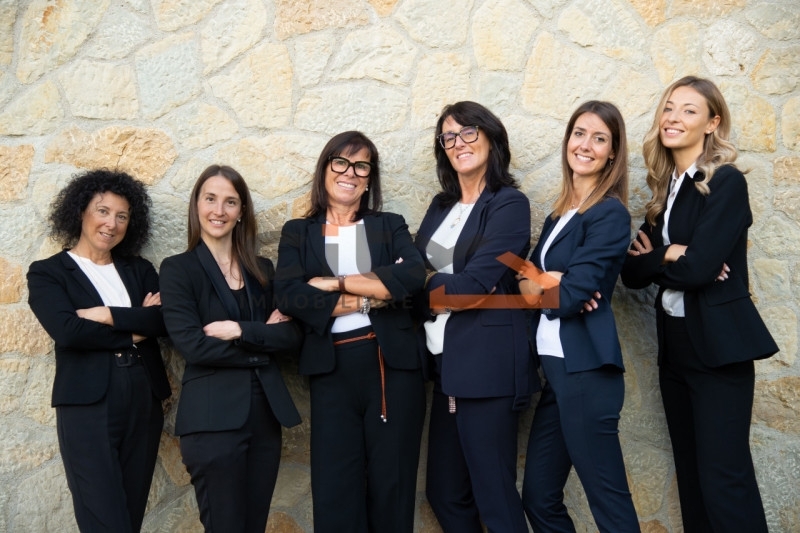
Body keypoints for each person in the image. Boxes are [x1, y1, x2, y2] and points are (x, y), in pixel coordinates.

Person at [621, 76, 777, 533]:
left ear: (712, 123)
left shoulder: (725, 183)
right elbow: (630, 273)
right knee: (691, 481)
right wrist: (671, 253)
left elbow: (698, 270)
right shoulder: (663, 193)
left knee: (724, 481)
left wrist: (664, 259)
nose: (673, 118)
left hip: (718, 352)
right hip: (676, 350)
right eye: (669, 107)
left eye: (689, 110)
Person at [274, 131, 426, 533]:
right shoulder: (298, 232)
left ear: (369, 177)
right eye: (340, 162)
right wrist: (371, 295)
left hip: (391, 366)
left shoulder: (388, 225)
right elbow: (290, 296)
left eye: (361, 166)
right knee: (335, 489)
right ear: (325, 168)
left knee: (392, 485)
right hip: (331, 369)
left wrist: (334, 283)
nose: (350, 173)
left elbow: (412, 276)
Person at [515, 101, 639, 532]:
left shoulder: (610, 213)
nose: (585, 145)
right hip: (557, 376)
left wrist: (551, 285)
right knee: (539, 499)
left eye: (599, 138)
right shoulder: (558, 215)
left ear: (612, 152)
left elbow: (568, 299)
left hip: (586, 374)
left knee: (609, 504)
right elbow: (523, 281)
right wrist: (549, 281)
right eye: (579, 133)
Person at [159, 165, 302, 532]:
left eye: (230, 202)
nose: (219, 210)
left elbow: (290, 337)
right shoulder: (178, 270)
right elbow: (193, 346)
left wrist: (239, 330)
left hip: (264, 419)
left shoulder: (263, 271)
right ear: (196, 205)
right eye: (210, 199)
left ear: (241, 212)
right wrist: (261, 340)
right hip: (211, 421)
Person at [27, 169, 170, 532]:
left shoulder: (139, 270)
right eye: (103, 211)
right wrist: (135, 329)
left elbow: (164, 321)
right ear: (80, 212)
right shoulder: (48, 273)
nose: (112, 224)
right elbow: (68, 331)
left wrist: (106, 314)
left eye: (122, 216)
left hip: (143, 396)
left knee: (130, 514)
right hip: (87, 403)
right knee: (102, 516)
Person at [414, 101, 533, 533]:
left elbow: (475, 285)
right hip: (445, 365)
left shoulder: (509, 205)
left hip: (487, 366)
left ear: (490, 138)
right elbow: (412, 268)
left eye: (468, 132)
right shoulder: (440, 205)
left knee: (494, 496)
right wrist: (425, 285)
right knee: (445, 493)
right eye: (449, 136)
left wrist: (419, 288)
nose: (458, 143)